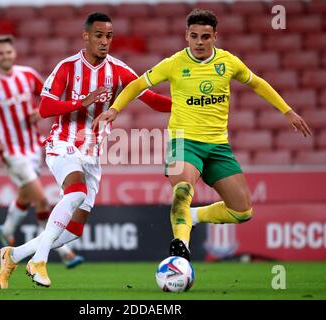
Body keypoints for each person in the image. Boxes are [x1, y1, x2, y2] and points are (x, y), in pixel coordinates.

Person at [94, 9, 312, 262]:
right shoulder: (174, 63)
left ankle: (193, 217)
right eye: (194, 36)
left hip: (218, 147)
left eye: (205, 37)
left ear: (214, 37)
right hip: (184, 143)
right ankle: (180, 245)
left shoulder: (228, 62)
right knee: (182, 190)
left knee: (242, 211)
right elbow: (137, 84)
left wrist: (287, 111)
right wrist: (114, 109)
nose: (199, 42)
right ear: (186, 36)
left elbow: (257, 83)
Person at [0, 12, 172, 288]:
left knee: (73, 232)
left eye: (109, 36)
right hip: (62, 145)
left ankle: (13, 255)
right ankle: (38, 261)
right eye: (99, 35)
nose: (104, 41)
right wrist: (81, 102)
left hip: (91, 155)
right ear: (86, 36)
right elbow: (44, 108)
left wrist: (189, 104)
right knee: (75, 193)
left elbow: (153, 100)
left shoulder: (120, 71)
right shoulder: (67, 67)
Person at [0, 35, 84, 275]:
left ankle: (6, 229)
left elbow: (47, 97)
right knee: (40, 199)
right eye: (0, 53)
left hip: (33, 147)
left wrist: (39, 112)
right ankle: (61, 252)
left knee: (26, 195)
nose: (5, 56)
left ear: (14, 53)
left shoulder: (28, 75)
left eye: (9, 52)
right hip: (11, 152)